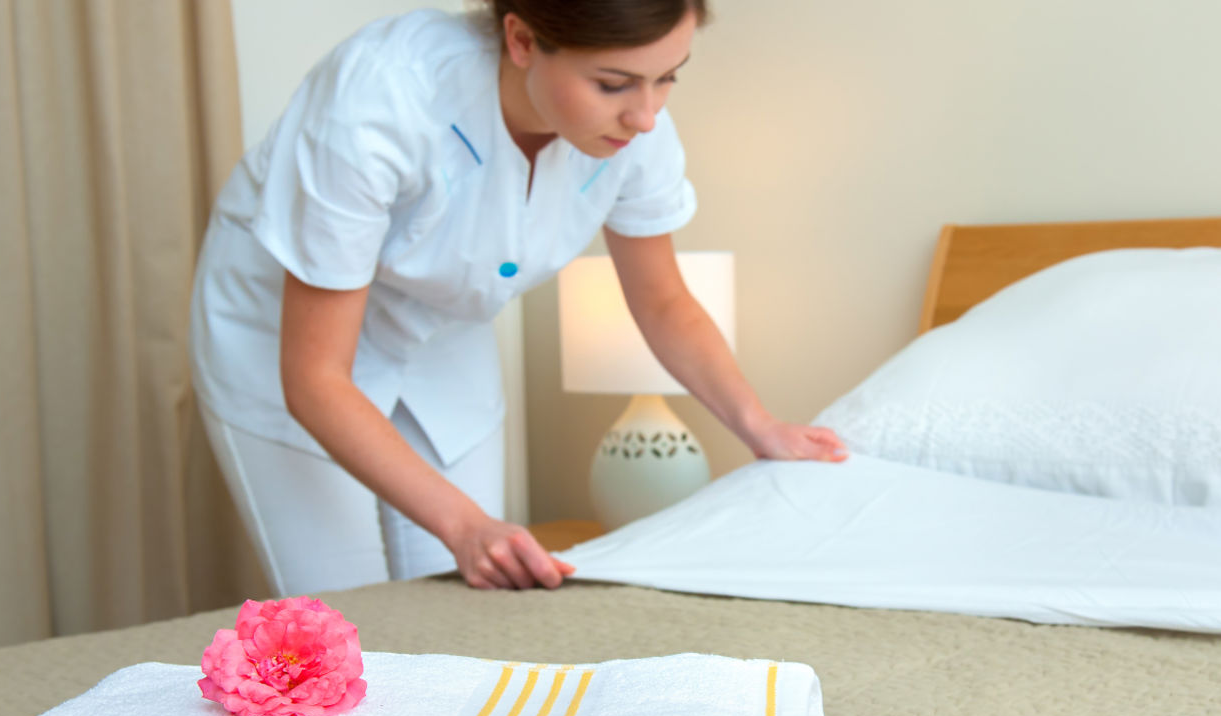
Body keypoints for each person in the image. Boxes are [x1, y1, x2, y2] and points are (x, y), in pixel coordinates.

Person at [189, 0, 845, 597]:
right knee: (343, 610)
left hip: (442, 332)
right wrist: (465, 525)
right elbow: (316, 379)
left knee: (464, 597)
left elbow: (663, 301)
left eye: (668, 77)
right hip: (285, 333)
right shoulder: (381, 99)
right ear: (523, 40)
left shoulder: (637, 133)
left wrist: (759, 425)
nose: (645, 116)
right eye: (612, 84)